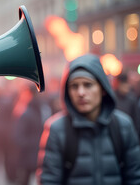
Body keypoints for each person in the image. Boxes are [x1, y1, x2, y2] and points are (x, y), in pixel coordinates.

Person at [37, 54, 140, 184]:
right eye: (74, 86)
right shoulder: (57, 129)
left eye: (88, 85)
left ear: (102, 88)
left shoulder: (123, 126)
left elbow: (135, 177)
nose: (81, 92)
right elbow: (49, 180)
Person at [114, 71, 140, 142]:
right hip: (115, 132)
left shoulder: (132, 99)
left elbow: (136, 120)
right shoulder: (113, 98)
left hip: (129, 133)